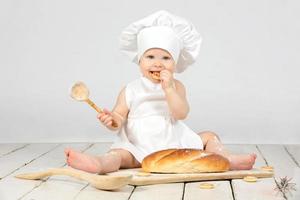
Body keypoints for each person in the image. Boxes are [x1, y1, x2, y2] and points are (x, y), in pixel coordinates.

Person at [65, 10, 256, 174]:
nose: (157, 63)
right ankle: (99, 164)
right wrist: (111, 120)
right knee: (119, 156)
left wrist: (169, 89)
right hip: (138, 143)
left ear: (175, 63)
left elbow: (181, 114)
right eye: (150, 56)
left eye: (166, 57)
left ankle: (227, 159)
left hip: (172, 142)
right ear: (139, 61)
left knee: (209, 136)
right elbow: (119, 117)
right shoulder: (130, 89)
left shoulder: (177, 86)